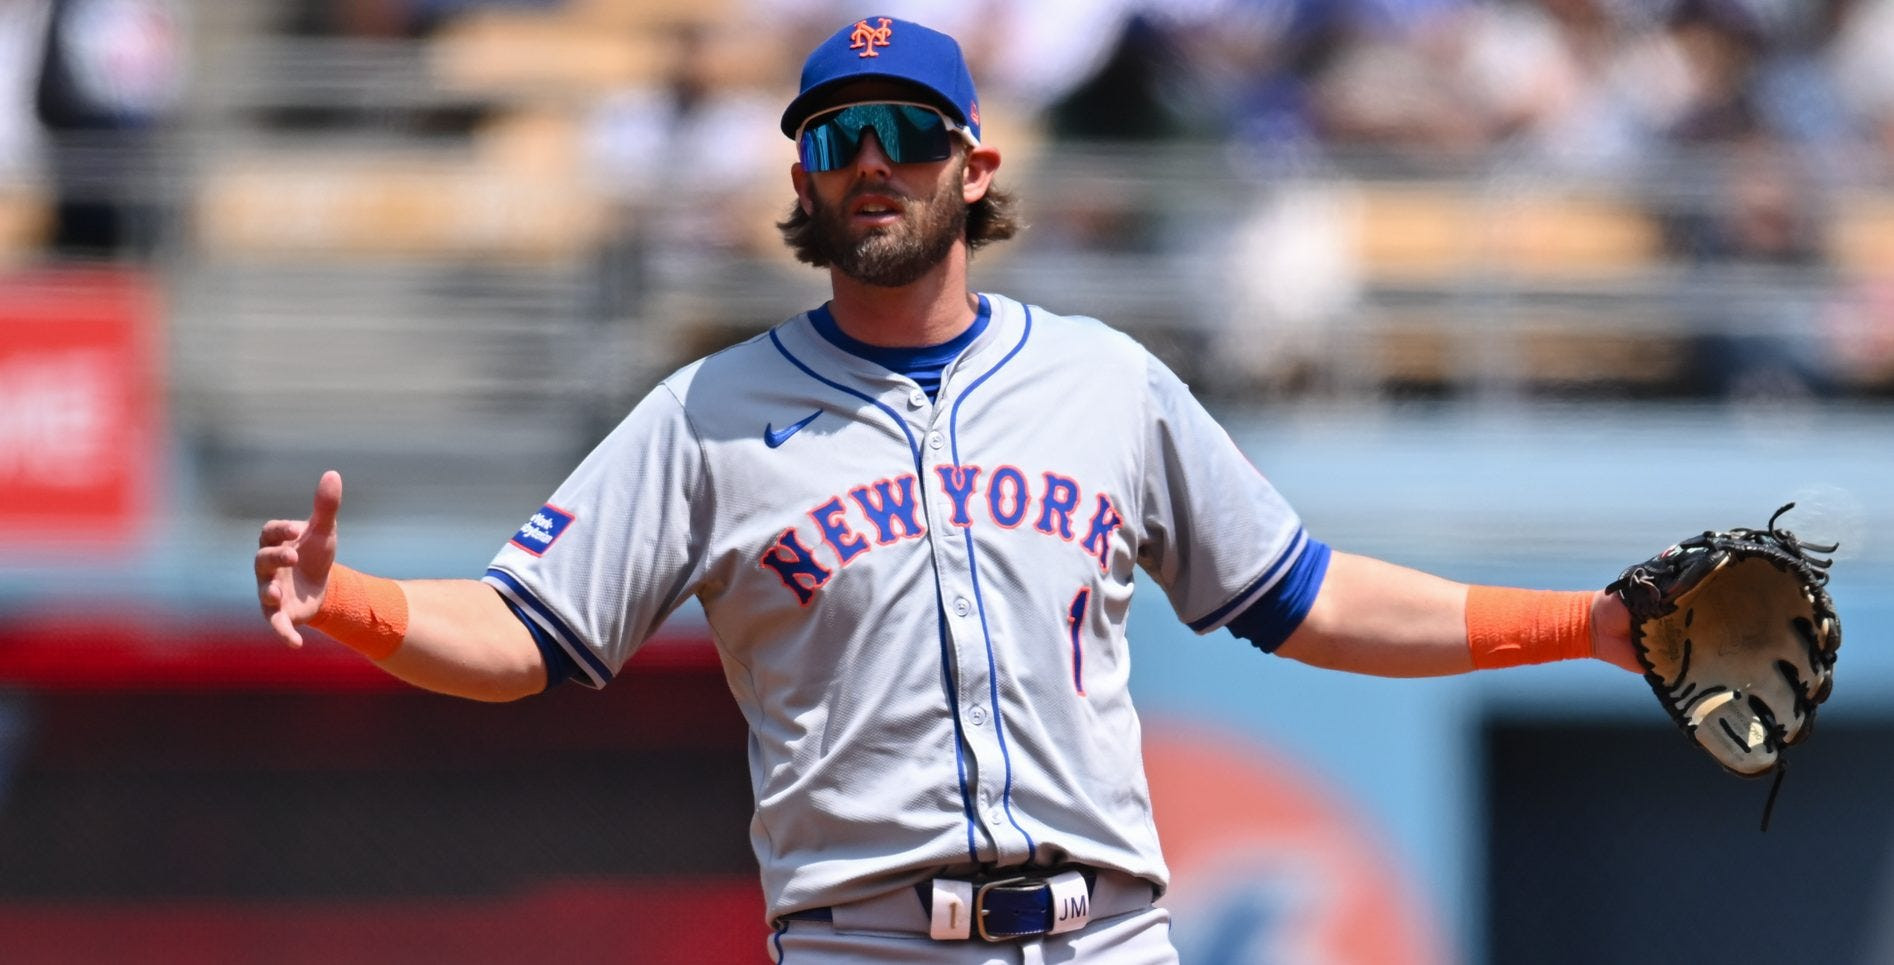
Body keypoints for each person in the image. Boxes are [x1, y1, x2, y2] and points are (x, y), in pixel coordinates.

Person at [254, 16, 1641, 963]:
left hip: (1106, 932)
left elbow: (1306, 594)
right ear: (800, 170)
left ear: (972, 166)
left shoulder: (1106, 382)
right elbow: (522, 635)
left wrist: (1580, 622)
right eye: (838, 132)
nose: (872, 160)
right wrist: (350, 600)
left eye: (905, 132)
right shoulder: (705, 413)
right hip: (864, 937)